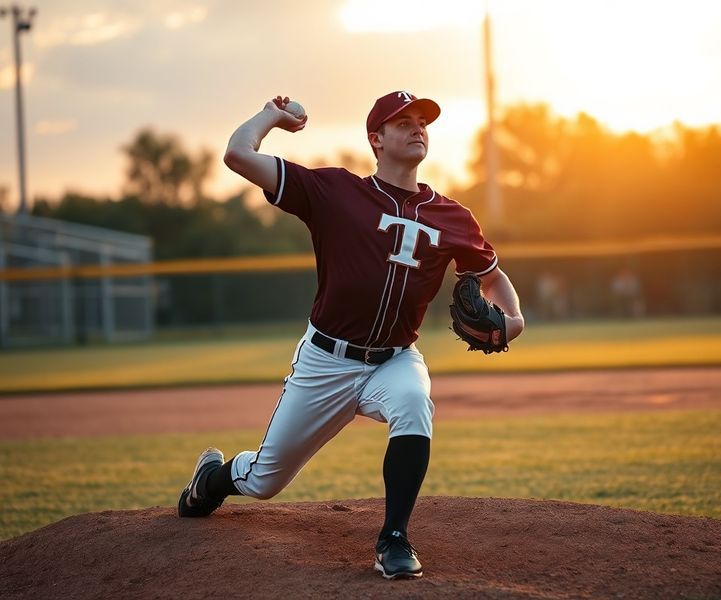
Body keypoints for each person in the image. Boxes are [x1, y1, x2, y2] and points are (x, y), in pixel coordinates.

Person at [177, 91, 525, 580]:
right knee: (264, 481)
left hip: (395, 359)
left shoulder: (452, 218)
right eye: (401, 122)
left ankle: (394, 539)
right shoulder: (335, 191)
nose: (416, 127)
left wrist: (514, 319)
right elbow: (238, 154)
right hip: (326, 361)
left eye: (421, 120)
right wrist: (271, 117)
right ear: (375, 140)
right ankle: (211, 479)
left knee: (413, 403)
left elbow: (493, 277)